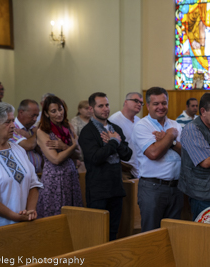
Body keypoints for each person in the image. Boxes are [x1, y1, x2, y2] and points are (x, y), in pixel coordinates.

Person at [79, 92, 132, 240]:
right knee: (97, 234)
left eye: (107, 105)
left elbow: (127, 154)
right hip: (98, 190)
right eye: (100, 106)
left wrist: (115, 141)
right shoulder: (87, 132)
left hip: (116, 187)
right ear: (91, 109)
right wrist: (114, 142)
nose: (105, 109)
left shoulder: (115, 128)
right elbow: (95, 158)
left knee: (113, 232)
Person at [0, 103, 43, 229]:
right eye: (7, 122)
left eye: (12, 120)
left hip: (23, 222)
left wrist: (30, 212)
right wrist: (14, 216)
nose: (13, 125)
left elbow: (34, 183)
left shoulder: (18, 150)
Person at [132, 87, 183, 232]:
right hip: (152, 188)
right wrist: (171, 136)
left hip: (176, 187)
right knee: (151, 233)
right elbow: (154, 153)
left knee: (174, 234)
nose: (161, 107)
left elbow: (187, 154)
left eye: (164, 103)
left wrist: (169, 140)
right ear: (148, 106)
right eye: (156, 104)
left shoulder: (175, 125)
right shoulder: (142, 126)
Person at [36, 96, 83, 218]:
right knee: (55, 215)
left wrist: (64, 147)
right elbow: (56, 159)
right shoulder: (43, 131)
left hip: (70, 175)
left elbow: (80, 155)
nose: (59, 113)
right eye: (53, 111)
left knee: (72, 216)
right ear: (46, 113)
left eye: (60, 109)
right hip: (54, 178)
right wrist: (72, 147)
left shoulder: (68, 126)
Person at [109, 92, 143, 179]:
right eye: (136, 101)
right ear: (126, 102)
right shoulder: (114, 120)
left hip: (139, 168)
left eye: (141, 103)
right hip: (123, 169)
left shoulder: (139, 121)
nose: (139, 104)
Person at [9, 99, 42, 173]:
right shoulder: (12, 128)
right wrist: (37, 133)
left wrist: (30, 137)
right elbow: (28, 146)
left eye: (37, 116)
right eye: (33, 115)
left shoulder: (33, 129)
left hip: (39, 175)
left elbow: (43, 152)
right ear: (21, 112)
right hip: (22, 176)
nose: (35, 119)